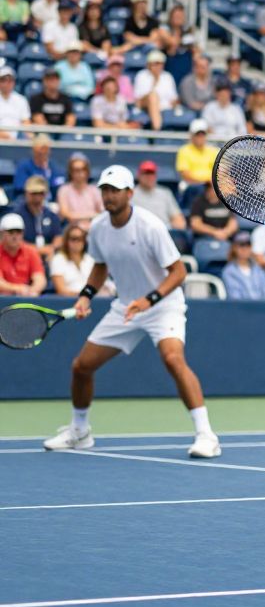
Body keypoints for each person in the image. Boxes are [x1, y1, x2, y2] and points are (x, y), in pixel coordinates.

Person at [42, 164, 221, 458]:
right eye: (104, 190)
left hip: (163, 306)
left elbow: (178, 273)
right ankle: (80, 431)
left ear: (129, 193)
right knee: (81, 366)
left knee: (173, 359)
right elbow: (100, 266)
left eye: (114, 190)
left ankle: (206, 435)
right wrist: (86, 296)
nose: (108, 196)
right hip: (125, 307)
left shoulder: (150, 226)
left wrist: (149, 300)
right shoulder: (98, 227)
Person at [50, 224, 115, 298]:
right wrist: (84, 295)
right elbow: (61, 290)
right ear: (66, 240)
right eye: (74, 238)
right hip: (69, 300)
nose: (77, 242)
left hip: (93, 299)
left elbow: (100, 283)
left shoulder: (91, 259)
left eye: (81, 238)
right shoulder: (58, 259)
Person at [14, 175, 62, 261]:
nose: (37, 197)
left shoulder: (51, 214)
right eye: (34, 193)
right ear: (26, 193)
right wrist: (39, 250)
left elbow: (58, 236)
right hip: (23, 256)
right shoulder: (17, 216)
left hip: (49, 256)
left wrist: (52, 248)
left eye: (41, 193)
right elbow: (14, 241)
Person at [0, 213, 46, 297]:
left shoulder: (30, 251)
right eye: (10, 232)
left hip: (25, 297)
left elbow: (40, 278)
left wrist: (33, 290)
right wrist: (19, 288)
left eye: (18, 232)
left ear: (23, 233)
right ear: (2, 233)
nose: (15, 236)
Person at [133, 160, 186, 231]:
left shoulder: (165, 192)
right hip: (139, 232)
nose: (149, 176)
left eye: (152, 173)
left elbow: (179, 221)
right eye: (146, 173)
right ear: (139, 175)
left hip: (164, 232)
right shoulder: (130, 193)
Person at [221, 231, 265, 300]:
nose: (245, 249)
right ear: (234, 248)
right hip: (242, 309)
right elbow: (235, 298)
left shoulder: (259, 270)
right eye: (241, 245)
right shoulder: (229, 272)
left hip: (263, 309)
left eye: (248, 245)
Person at [133, 50, 178, 130]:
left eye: (160, 63)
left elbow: (174, 98)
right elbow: (138, 99)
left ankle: (158, 128)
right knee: (153, 96)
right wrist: (155, 81)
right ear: (149, 65)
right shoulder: (141, 75)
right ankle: (157, 130)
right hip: (145, 104)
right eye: (155, 64)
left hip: (164, 107)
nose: (157, 66)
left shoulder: (168, 77)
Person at [56, 153, 103, 227]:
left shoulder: (95, 190)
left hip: (92, 229)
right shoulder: (63, 190)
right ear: (71, 172)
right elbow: (65, 214)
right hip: (71, 230)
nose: (80, 173)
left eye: (83, 169)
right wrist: (92, 215)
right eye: (76, 170)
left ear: (87, 172)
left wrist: (75, 216)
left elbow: (102, 214)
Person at [176, 119, 218, 186]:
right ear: (191, 135)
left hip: (212, 185)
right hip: (193, 185)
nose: (200, 137)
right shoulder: (184, 150)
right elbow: (185, 175)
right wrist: (205, 182)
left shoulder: (213, 150)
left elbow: (221, 172)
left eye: (203, 134)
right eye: (197, 134)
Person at [0, 65, 31, 140]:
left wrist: (29, 136)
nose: (7, 83)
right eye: (3, 80)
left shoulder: (21, 100)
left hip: (18, 139)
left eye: (10, 80)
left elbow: (26, 122)